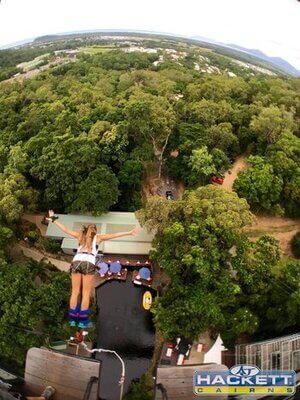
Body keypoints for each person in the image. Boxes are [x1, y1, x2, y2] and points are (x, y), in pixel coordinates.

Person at [47, 210, 139, 328]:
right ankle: (81, 321)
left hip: (77, 261)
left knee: (75, 292)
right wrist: (129, 232)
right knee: (85, 294)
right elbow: (114, 235)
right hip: (89, 262)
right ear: (95, 231)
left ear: (86, 229)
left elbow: (65, 229)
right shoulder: (98, 238)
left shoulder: (80, 236)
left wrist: (54, 219)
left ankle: (73, 320)